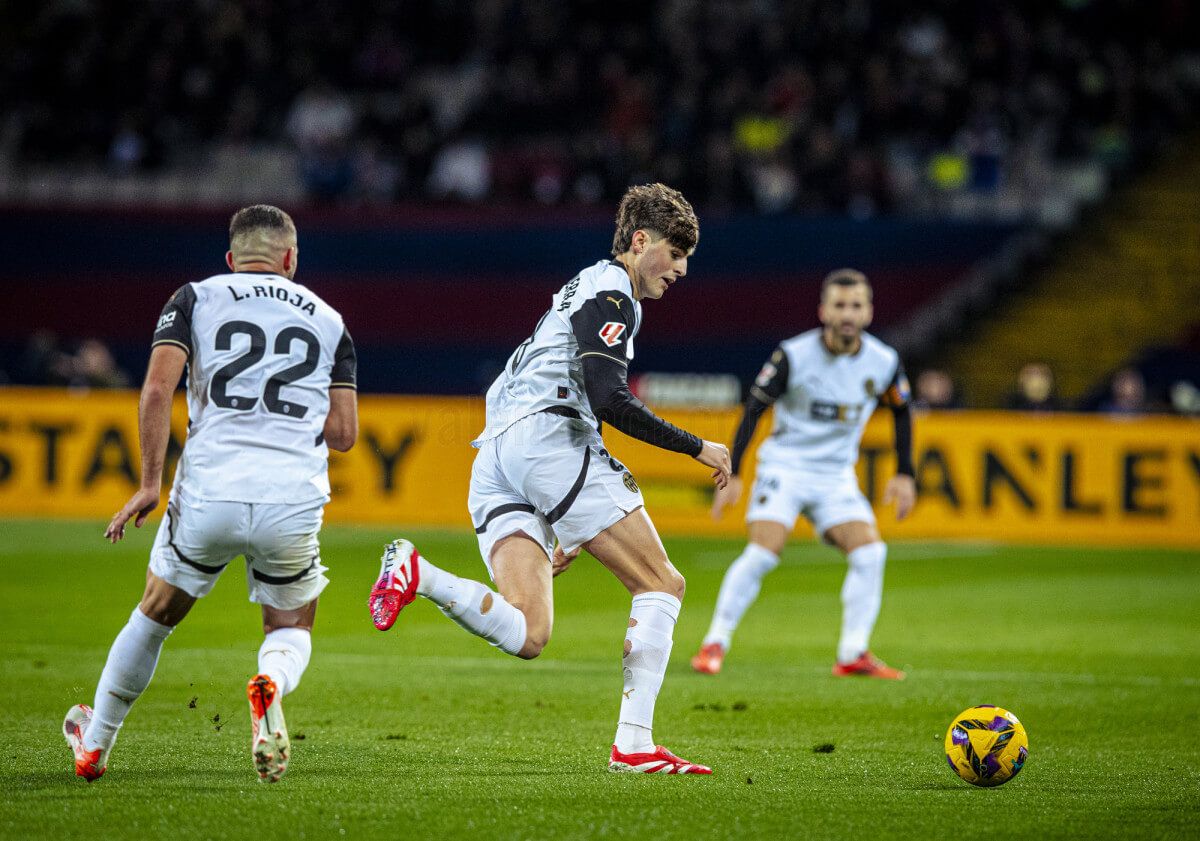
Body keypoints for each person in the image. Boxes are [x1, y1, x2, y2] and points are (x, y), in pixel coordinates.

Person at [368, 183, 730, 774]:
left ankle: (419, 573)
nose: (682, 270)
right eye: (676, 253)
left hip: (497, 456)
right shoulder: (614, 293)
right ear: (640, 243)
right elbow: (608, 398)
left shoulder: (580, 287)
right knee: (662, 583)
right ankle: (634, 745)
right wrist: (697, 447)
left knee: (529, 632)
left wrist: (574, 519)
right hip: (546, 440)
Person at [63, 205, 358, 784]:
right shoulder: (330, 320)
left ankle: (95, 745)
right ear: (291, 259)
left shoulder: (195, 298)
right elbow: (344, 435)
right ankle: (269, 685)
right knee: (289, 624)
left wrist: (150, 482)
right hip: (290, 497)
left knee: (154, 614)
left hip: (210, 490)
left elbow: (156, 390)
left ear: (231, 258)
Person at [691, 268, 916, 679]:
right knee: (763, 552)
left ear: (868, 312)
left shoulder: (883, 361)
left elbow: (901, 411)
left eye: (856, 305)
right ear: (823, 311)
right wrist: (737, 472)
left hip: (835, 476)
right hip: (785, 466)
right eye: (840, 305)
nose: (848, 313)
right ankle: (714, 643)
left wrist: (905, 472)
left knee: (870, 552)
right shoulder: (793, 355)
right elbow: (754, 408)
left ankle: (852, 653)